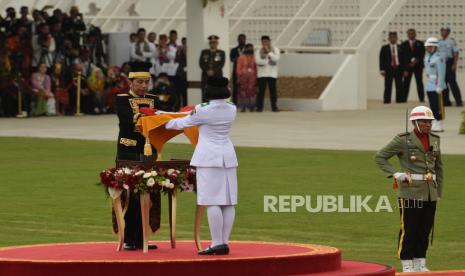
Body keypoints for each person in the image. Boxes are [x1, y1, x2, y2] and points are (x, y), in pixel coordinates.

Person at [165, 77, 238, 255]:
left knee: (211, 200)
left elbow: (181, 123)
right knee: (228, 202)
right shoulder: (232, 108)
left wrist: (162, 120)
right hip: (227, 157)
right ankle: (224, 242)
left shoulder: (202, 109)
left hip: (209, 158)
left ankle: (216, 242)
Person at [375, 105, 443, 273]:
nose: (428, 124)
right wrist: (395, 173)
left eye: (430, 121)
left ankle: (420, 261)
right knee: (410, 229)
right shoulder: (403, 140)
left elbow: (439, 168)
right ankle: (407, 263)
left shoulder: (435, 139)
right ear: (415, 122)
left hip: (429, 193)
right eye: (424, 121)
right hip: (410, 192)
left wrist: (438, 192)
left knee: (425, 229)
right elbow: (380, 156)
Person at [115, 62, 161, 251]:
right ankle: (129, 238)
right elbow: (127, 121)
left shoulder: (152, 98)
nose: (144, 86)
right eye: (140, 82)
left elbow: (161, 118)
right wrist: (148, 116)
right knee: (130, 196)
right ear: (131, 82)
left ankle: (143, 238)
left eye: (146, 83)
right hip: (128, 151)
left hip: (149, 151)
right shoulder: (122, 99)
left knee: (149, 196)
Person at [424, 37, 447, 132]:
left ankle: (439, 123)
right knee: (432, 105)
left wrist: (440, 86)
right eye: (427, 47)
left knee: (438, 106)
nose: (428, 48)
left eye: (429, 46)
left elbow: (442, 73)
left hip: (437, 85)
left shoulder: (439, 58)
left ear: (434, 47)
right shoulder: (427, 57)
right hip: (430, 84)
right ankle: (435, 122)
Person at [438, 27, 463, 107]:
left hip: (449, 63)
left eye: (445, 31)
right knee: (443, 83)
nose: (443, 33)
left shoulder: (452, 41)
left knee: (452, 83)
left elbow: (456, 53)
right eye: (442, 31)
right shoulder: (439, 42)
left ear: (448, 32)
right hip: (441, 64)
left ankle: (458, 101)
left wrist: (454, 64)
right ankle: (446, 101)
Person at [255, 35, 280, 112]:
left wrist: (269, 52)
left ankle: (274, 107)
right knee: (261, 92)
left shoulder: (275, 49)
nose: (265, 43)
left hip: (272, 74)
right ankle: (259, 107)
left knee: (273, 92)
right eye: (263, 42)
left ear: (269, 41)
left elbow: (276, 59)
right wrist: (267, 60)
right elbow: (257, 61)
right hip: (262, 74)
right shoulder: (258, 50)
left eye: (266, 41)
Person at [379, 32, 406, 103]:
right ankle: (387, 100)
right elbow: (381, 59)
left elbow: (404, 59)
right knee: (388, 86)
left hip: (398, 68)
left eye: (394, 37)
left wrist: (405, 70)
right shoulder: (384, 48)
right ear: (388, 38)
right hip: (388, 69)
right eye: (391, 37)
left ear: (396, 38)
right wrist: (382, 69)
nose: (393, 39)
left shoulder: (401, 47)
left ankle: (399, 100)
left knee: (399, 86)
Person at [199, 35, 225, 102]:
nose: (213, 44)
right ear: (209, 43)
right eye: (211, 42)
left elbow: (221, 64)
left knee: (217, 93)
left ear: (217, 43)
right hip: (206, 76)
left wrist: (213, 71)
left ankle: (216, 110)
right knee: (205, 93)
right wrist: (207, 71)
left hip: (217, 76)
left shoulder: (221, 53)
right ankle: (205, 109)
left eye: (215, 42)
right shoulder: (204, 52)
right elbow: (201, 63)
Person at [401, 29, 425, 102]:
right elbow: (402, 57)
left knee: (419, 83)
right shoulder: (404, 44)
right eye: (409, 34)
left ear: (415, 34)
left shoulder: (420, 43)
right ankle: (404, 99)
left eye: (412, 33)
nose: (411, 35)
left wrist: (416, 61)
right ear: (407, 35)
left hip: (418, 66)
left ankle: (421, 99)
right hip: (407, 67)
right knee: (406, 83)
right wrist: (405, 68)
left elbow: (422, 54)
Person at [236, 43, 257, 112]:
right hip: (243, 77)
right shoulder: (241, 57)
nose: (250, 50)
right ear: (245, 49)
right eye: (248, 48)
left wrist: (256, 76)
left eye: (251, 48)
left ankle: (252, 106)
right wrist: (239, 76)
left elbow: (256, 67)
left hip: (252, 77)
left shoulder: (254, 57)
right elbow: (238, 68)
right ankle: (243, 107)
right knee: (243, 91)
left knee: (252, 91)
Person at [230, 34, 246, 105]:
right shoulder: (234, 50)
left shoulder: (248, 49)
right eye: (240, 39)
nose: (242, 40)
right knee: (236, 88)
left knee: (245, 88)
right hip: (236, 72)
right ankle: (235, 104)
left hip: (246, 72)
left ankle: (245, 104)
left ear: (245, 39)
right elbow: (232, 59)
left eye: (243, 39)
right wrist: (239, 58)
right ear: (238, 40)